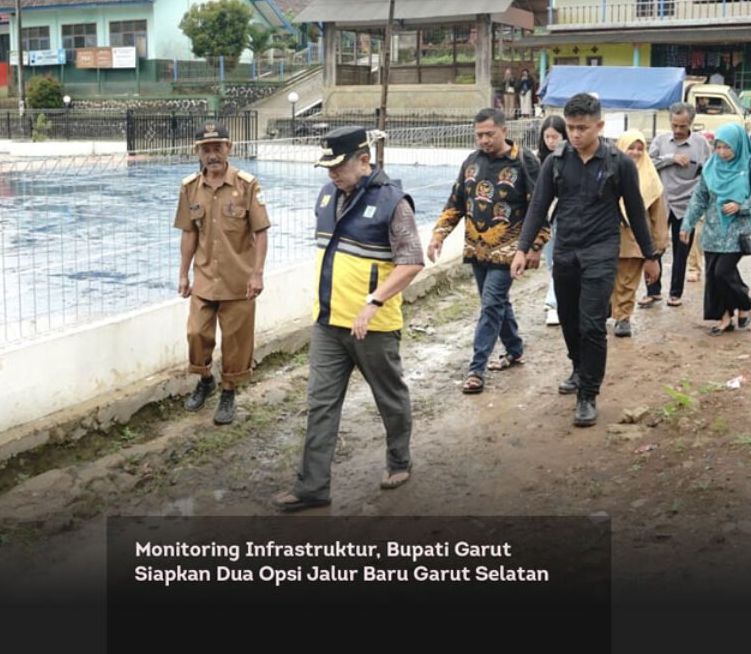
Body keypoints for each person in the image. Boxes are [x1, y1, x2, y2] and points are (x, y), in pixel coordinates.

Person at [274, 126, 424, 511]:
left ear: (363, 160)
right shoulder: (327, 194)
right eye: (327, 167)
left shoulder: (394, 202)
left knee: (389, 397)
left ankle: (399, 460)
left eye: (337, 166)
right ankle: (312, 487)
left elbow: (410, 262)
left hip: (372, 327)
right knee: (320, 403)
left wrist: (373, 301)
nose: (331, 174)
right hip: (328, 323)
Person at [512, 93, 660, 428]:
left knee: (592, 323)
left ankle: (588, 395)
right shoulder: (557, 161)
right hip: (565, 251)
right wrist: (523, 248)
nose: (576, 134)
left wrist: (650, 256)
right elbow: (539, 208)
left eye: (582, 128)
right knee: (568, 317)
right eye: (571, 128)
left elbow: (636, 212)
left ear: (599, 126)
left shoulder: (617, 163)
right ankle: (578, 368)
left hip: (601, 251)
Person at [428, 108, 548, 394]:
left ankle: (476, 369)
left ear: (504, 131)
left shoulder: (524, 161)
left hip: (510, 250)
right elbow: (456, 202)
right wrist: (438, 235)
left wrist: (535, 245)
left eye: (489, 134)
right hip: (477, 248)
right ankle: (515, 349)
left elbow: (539, 206)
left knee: (491, 303)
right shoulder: (471, 163)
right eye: (479, 134)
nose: (484, 140)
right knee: (496, 303)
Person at [174, 122, 270, 425]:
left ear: (229, 148)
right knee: (195, 333)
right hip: (204, 277)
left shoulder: (247, 185)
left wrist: (257, 274)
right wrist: (183, 275)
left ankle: (229, 391)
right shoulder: (190, 187)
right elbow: (188, 233)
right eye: (206, 149)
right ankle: (205, 380)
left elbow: (261, 232)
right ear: (198, 152)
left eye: (218, 147)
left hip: (239, 280)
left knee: (235, 341)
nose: (212, 154)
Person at [680, 122, 751, 335]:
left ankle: (745, 303)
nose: (722, 152)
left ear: (738, 145)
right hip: (713, 230)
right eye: (718, 147)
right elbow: (700, 198)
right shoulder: (711, 165)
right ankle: (724, 318)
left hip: (738, 231)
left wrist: (742, 206)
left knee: (723, 272)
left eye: (727, 147)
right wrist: (688, 224)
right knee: (713, 276)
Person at [642, 102, 711, 308]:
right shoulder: (661, 141)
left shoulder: (701, 144)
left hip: (687, 205)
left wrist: (699, 203)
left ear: (691, 123)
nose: (678, 130)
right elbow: (647, 163)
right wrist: (670, 158)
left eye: (683, 126)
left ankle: (675, 293)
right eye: (674, 125)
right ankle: (653, 292)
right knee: (655, 248)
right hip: (662, 203)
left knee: (682, 250)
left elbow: (707, 173)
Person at [611, 130, 669, 338]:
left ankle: (623, 317)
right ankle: (611, 310)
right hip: (607, 236)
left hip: (635, 239)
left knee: (627, 281)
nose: (635, 152)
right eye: (630, 147)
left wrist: (658, 246)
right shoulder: (608, 171)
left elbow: (658, 214)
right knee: (607, 279)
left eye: (640, 148)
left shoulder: (650, 178)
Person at [536, 115, 568, 326]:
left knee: (559, 262)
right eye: (547, 137)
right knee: (550, 262)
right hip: (544, 218)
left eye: (554, 136)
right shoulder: (537, 161)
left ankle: (553, 303)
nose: (551, 141)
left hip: (563, 216)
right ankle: (559, 298)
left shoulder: (567, 160)